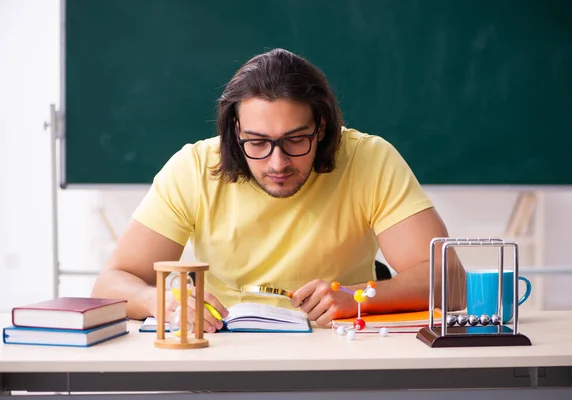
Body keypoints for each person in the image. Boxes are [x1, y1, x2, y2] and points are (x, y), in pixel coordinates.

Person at [91, 48, 466, 332]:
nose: (277, 163)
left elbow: (450, 281)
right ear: (234, 132)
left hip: (337, 351)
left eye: (295, 140)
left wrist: (357, 297)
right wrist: (162, 303)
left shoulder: (369, 159)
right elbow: (110, 283)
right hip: (224, 351)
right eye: (256, 142)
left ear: (321, 128)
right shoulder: (194, 166)